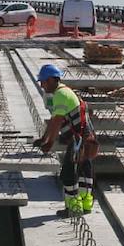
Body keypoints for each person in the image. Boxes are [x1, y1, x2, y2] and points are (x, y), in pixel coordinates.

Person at [33, 63, 98, 216]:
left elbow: (56, 122)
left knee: (69, 174)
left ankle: (74, 208)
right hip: (86, 139)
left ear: (50, 80)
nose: (42, 86)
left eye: (43, 82)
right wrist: (43, 138)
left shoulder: (59, 95)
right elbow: (54, 119)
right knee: (84, 172)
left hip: (78, 141)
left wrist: (48, 143)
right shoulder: (66, 91)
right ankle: (86, 204)